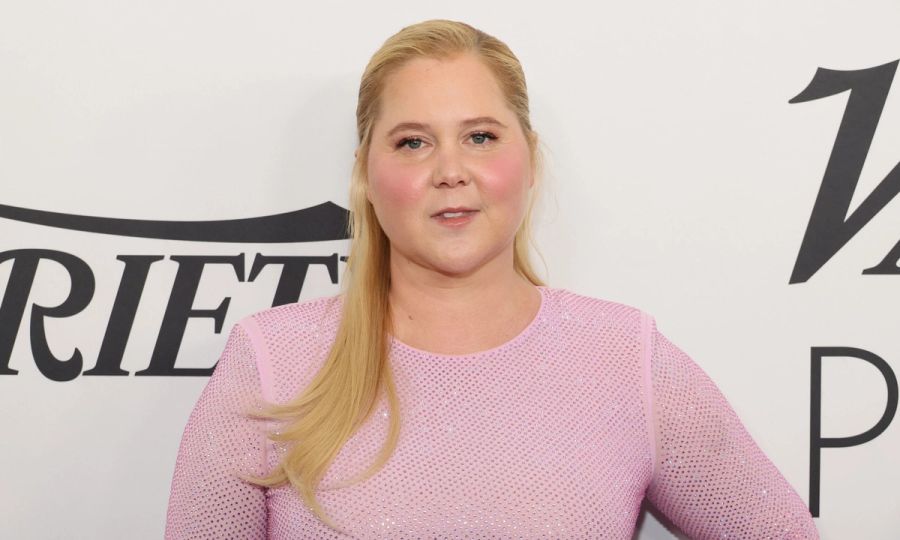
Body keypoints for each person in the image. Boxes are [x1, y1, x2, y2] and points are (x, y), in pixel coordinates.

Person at [164, 19, 819, 539]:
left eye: (480, 136)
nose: (451, 169)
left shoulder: (625, 359)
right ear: (365, 172)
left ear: (528, 159)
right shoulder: (273, 366)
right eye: (413, 142)